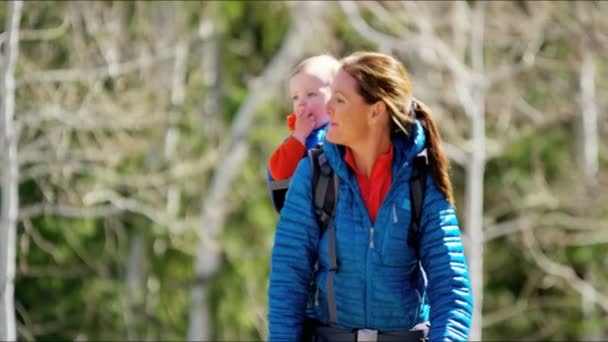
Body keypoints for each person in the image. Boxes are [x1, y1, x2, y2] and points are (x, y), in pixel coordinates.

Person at [268, 51, 473, 341]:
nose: (328, 107)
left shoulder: (421, 180)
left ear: (375, 112)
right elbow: (287, 283)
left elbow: (451, 290)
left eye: (339, 100)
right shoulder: (313, 174)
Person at [267, 55, 340, 212]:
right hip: (307, 218)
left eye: (311, 94)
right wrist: (299, 137)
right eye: (295, 97)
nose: (301, 102)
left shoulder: (346, 130)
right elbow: (279, 173)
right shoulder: (297, 141)